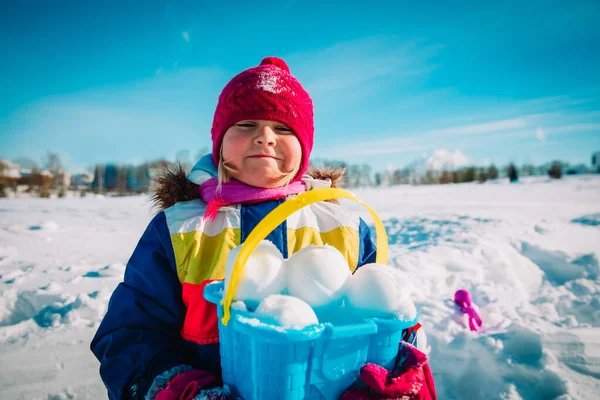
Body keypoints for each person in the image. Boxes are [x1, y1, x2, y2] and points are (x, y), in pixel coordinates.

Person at [91, 57, 434, 400]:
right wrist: (181, 390)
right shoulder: (181, 229)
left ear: (305, 148)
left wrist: (399, 367)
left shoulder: (343, 226)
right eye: (246, 124)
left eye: (284, 129)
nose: (265, 138)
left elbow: (386, 309)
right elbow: (128, 333)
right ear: (220, 142)